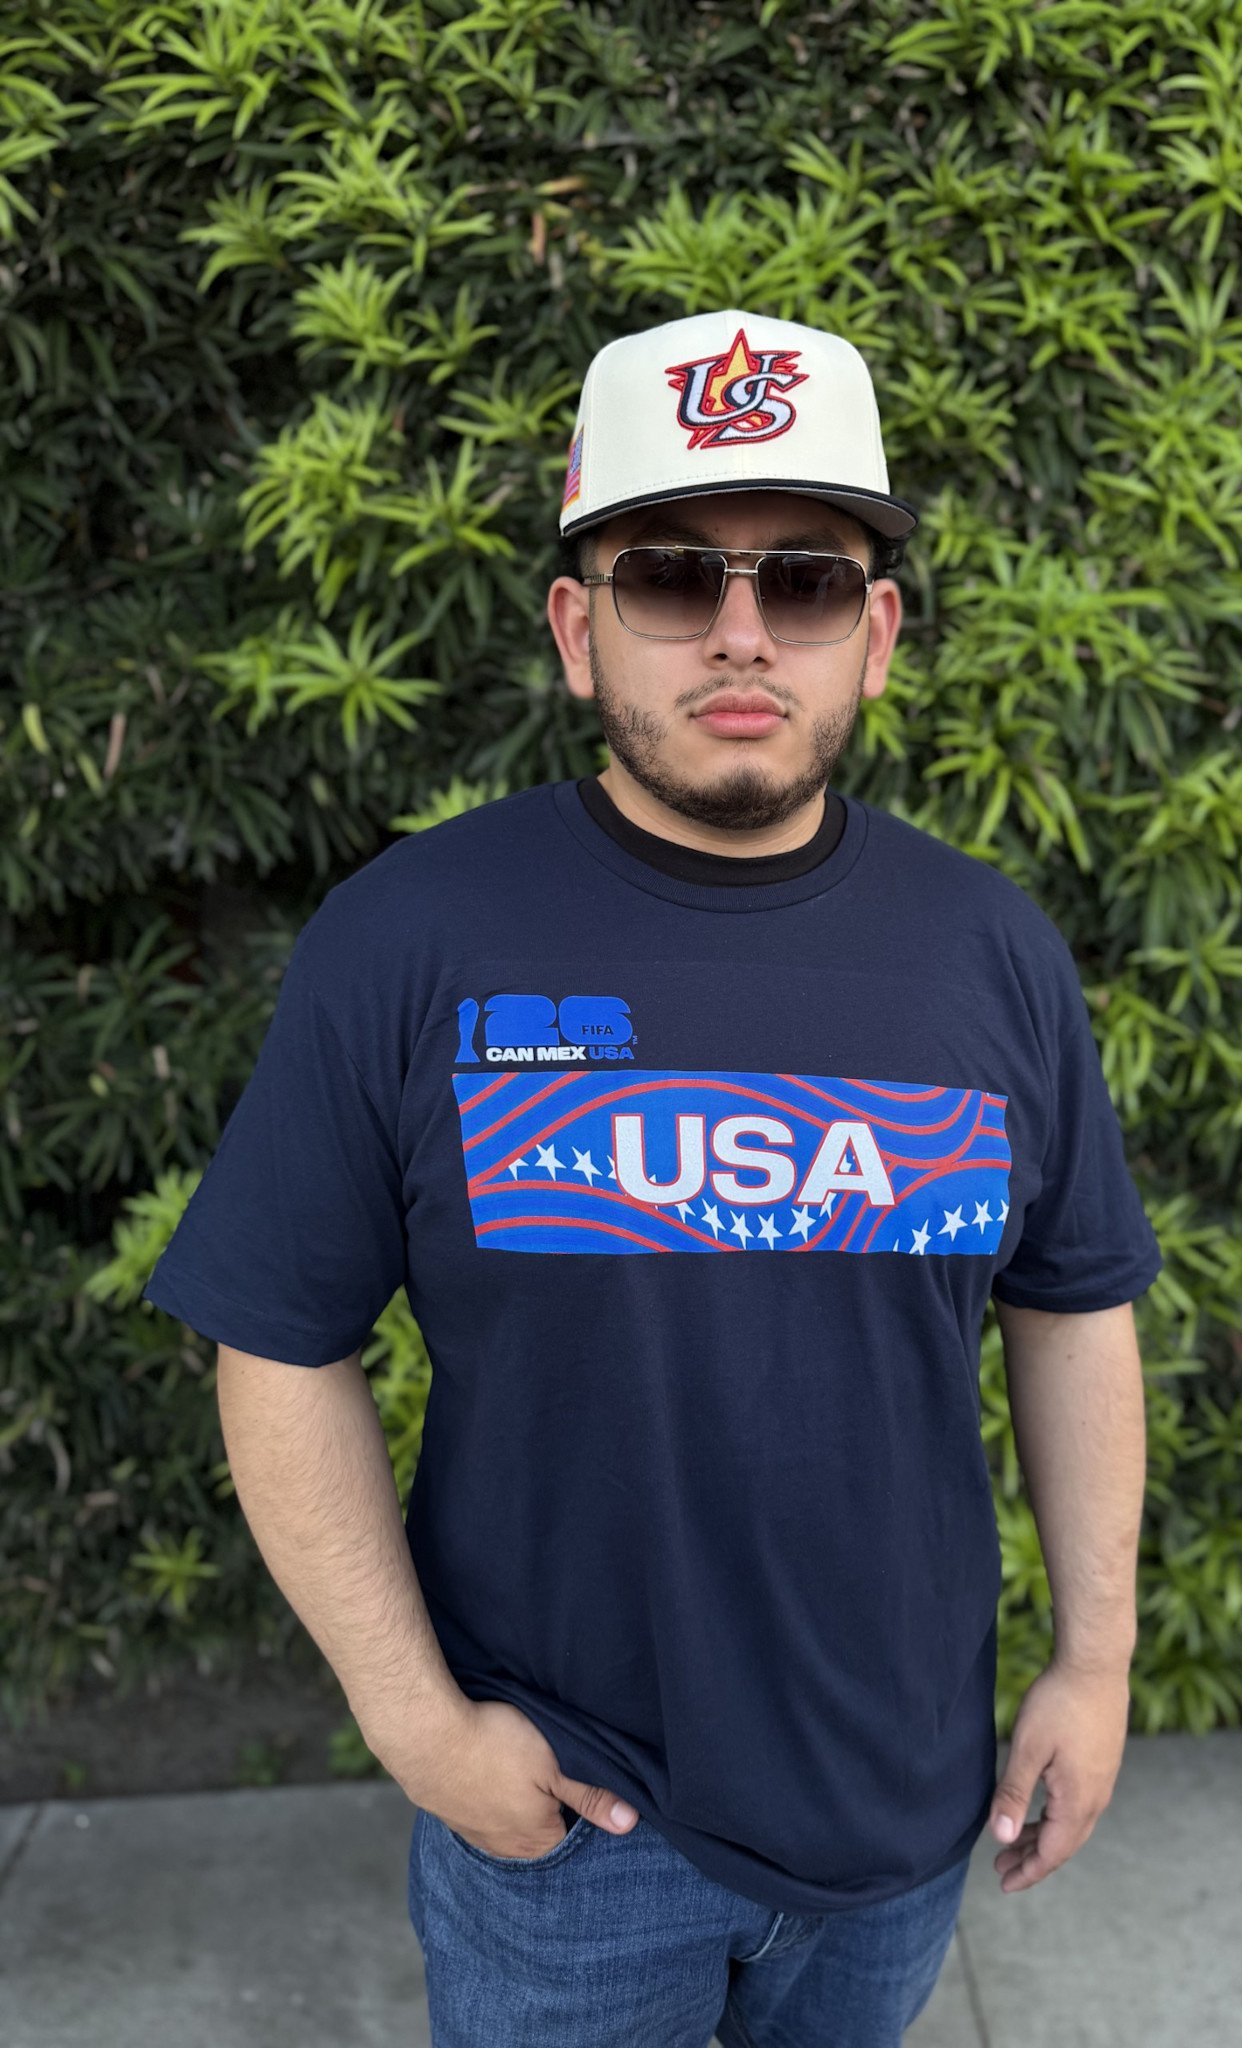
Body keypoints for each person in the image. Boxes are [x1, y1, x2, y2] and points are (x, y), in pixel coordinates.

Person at [143, 308, 1163, 2047]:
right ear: (577, 628)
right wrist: (416, 1725)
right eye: (673, 576)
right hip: (570, 1829)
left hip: (902, 1807)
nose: (742, 633)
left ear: (877, 637)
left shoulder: (988, 952)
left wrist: (1095, 1660)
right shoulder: (412, 939)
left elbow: (1071, 1310)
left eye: (808, 582)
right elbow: (279, 1340)